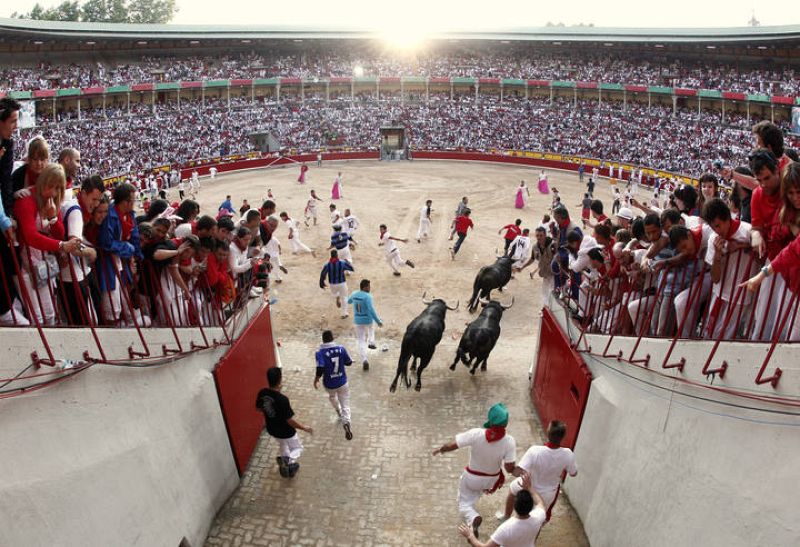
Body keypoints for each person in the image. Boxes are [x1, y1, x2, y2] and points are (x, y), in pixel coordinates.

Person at [432, 403, 517, 540]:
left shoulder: (476, 434)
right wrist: (518, 471)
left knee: (463, 503)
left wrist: (441, 449)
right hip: (492, 480)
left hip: (472, 478)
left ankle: (473, 518)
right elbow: (509, 467)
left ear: (490, 420)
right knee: (477, 491)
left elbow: (453, 445)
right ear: (506, 423)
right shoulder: (509, 441)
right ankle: (473, 507)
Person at [14, 164, 82, 325]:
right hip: (25, 264)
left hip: (44, 263)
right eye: (50, 186)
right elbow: (30, 236)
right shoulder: (26, 199)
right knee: (37, 316)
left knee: (50, 313)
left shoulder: (51, 201)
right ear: (42, 181)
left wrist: (53, 218)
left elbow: (59, 233)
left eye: (57, 188)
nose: (52, 191)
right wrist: (61, 246)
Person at [498, 420, 577, 524]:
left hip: (527, 485)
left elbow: (517, 473)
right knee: (540, 518)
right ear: (562, 437)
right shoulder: (568, 454)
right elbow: (573, 473)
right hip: (548, 493)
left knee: (512, 489)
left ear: (548, 433)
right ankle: (532, 534)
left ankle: (506, 517)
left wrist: (510, 468)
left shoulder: (535, 450)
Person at [459, 473, 546, 547]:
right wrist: (529, 488)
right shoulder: (538, 517)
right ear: (531, 506)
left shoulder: (506, 528)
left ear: (514, 506)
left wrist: (470, 536)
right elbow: (540, 502)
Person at [255, 367, 313, 478]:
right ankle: (287, 461)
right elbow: (289, 420)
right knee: (298, 448)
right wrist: (304, 428)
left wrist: (270, 411)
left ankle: (287, 465)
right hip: (286, 432)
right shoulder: (282, 399)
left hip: (272, 429)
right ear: (280, 380)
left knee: (283, 444)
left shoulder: (262, 393)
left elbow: (258, 408)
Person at [0, 97, 23, 325]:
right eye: (13, 121)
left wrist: (6, 215)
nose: (16, 126)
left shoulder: (7, 145)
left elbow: (5, 181)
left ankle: (8, 303)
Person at [314, 330, 354, 440]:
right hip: (342, 382)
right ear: (333, 338)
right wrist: (349, 361)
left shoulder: (319, 353)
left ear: (323, 340)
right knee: (345, 402)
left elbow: (320, 368)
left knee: (332, 397)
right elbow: (349, 362)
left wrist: (316, 379)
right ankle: (346, 422)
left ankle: (338, 411)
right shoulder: (341, 349)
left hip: (329, 384)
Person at [347, 278, 383, 370]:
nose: (370, 288)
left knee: (361, 341)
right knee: (371, 328)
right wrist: (378, 321)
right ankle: (371, 342)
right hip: (367, 319)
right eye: (369, 286)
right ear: (365, 287)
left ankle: (364, 360)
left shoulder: (354, 293)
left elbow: (349, 301)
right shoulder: (368, 296)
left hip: (357, 321)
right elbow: (371, 310)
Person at [320, 249, 353, 319]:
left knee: (335, 293)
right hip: (342, 283)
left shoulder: (327, 265)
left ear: (331, 256)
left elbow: (323, 274)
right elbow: (351, 268)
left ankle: (337, 296)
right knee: (344, 297)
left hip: (333, 284)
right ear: (337, 255)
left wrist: (322, 283)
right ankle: (344, 313)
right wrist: (347, 262)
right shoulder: (342, 262)